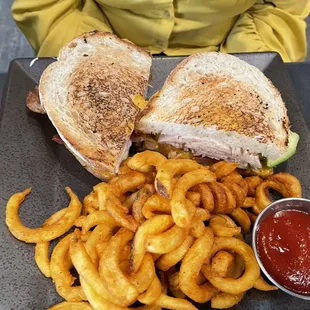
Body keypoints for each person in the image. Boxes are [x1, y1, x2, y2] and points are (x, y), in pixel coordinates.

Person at [12, 0, 310, 62]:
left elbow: (280, 8)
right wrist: (101, 62)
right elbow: (47, 6)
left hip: (226, 48)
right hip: (103, 42)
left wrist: (238, 67)